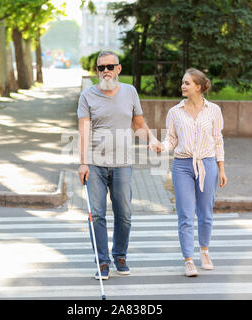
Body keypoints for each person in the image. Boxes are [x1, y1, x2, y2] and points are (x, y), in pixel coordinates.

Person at [77, 50, 159, 280]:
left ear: (119, 69)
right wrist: (83, 163)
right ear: (97, 71)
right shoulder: (87, 96)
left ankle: (120, 255)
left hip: (123, 163)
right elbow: (83, 130)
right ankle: (102, 262)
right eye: (101, 68)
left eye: (109, 67)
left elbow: (138, 123)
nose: (105, 71)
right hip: (95, 164)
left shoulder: (130, 92)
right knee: (97, 214)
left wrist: (151, 140)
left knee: (124, 214)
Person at [150, 68, 228, 277]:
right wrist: (162, 147)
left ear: (199, 87)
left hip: (208, 164)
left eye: (187, 83)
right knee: (185, 214)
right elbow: (172, 139)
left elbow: (217, 139)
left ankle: (204, 251)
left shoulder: (214, 110)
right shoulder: (175, 112)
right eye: (182, 82)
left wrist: (221, 168)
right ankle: (189, 260)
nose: (182, 86)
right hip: (182, 166)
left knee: (205, 212)